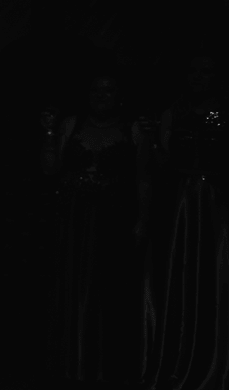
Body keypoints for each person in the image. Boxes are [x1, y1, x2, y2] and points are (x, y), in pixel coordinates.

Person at [41, 72, 150, 389]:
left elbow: (144, 178)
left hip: (113, 221)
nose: (101, 95)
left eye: (109, 90)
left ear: (119, 95)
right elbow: (49, 169)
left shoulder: (133, 130)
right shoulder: (70, 125)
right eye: (95, 90)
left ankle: (105, 365)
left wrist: (144, 220)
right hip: (73, 220)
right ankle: (70, 362)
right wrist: (48, 131)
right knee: (72, 287)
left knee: (109, 289)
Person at [142, 52, 229, 390]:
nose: (197, 78)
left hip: (216, 204)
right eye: (192, 72)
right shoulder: (171, 113)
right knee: (180, 273)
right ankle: (176, 356)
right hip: (179, 205)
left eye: (204, 72)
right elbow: (161, 162)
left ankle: (214, 358)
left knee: (213, 273)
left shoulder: (224, 110)